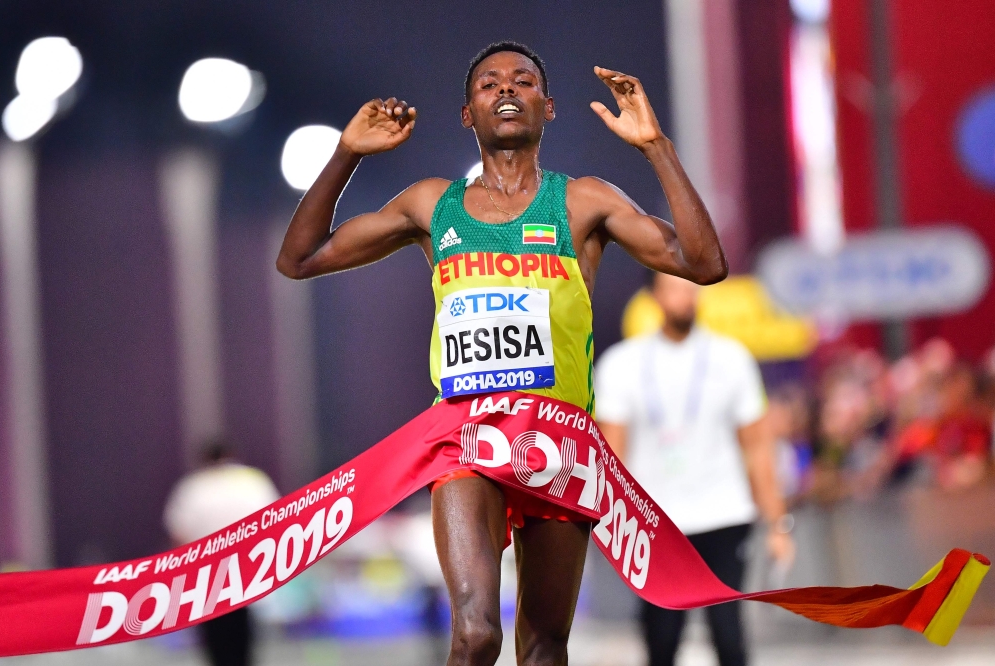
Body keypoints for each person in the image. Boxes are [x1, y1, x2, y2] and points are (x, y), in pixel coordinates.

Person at [275, 40, 727, 666]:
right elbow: (298, 258)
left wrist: (656, 146)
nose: (507, 89)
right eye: (489, 83)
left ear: (549, 106)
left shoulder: (584, 201)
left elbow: (704, 264)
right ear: (469, 114)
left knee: (543, 649)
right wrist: (346, 153)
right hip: (469, 438)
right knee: (476, 634)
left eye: (523, 80)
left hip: (558, 444)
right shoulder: (433, 204)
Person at [595, 273, 794, 666]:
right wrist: (613, 525)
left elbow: (757, 446)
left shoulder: (731, 358)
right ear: (654, 296)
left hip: (724, 513)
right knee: (661, 638)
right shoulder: (621, 365)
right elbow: (613, 456)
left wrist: (778, 523)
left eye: (689, 289)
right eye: (673, 289)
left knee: (729, 634)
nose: (683, 298)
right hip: (658, 524)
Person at [163, 440, 280, 666]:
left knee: (216, 644)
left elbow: (178, 535)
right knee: (245, 642)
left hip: (208, 578)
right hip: (250, 571)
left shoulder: (192, 487)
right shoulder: (254, 481)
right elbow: (276, 521)